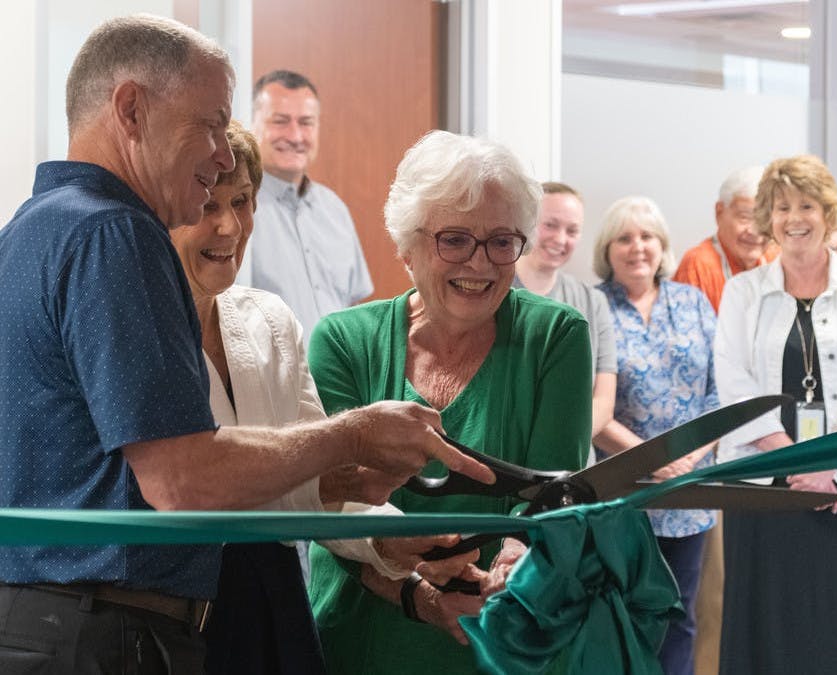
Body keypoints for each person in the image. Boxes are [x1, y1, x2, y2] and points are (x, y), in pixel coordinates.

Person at [0, 15, 490, 673]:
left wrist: (358, 490)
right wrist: (354, 434)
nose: (225, 153)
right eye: (209, 123)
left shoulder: (32, 230)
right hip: (109, 633)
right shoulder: (117, 233)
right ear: (131, 108)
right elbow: (181, 476)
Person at [172, 121, 482, 675]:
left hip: (275, 601)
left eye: (242, 201)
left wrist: (397, 542)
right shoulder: (135, 331)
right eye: (205, 204)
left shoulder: (268, 320)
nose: (226, 226)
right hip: (172, 608)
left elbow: (326, 481)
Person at [305, 130, 593, 674]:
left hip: (500, 637)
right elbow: (336, 507)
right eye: (455, 239)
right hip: (366, 642)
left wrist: (515, 561)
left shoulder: (555, 336)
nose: (480, 264)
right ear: (407, 246)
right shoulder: (343, 341)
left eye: (502, 241)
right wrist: (422, 597)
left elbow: (554, 494)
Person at [714, 156, 837, 674]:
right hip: (764, 484)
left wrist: (825, 465)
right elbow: (733, 383)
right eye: (781, 207)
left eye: (806, 205)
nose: (794, 217)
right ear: (768, 218)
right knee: (771, 622)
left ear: (828, 213)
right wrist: (792, 463)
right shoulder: (742, 292)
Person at [592, 196, 719, 675]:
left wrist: (684, 457)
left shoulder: (693, 301)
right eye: (624, 238)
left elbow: (719, 393)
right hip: (624, 488)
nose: (636, 247)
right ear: (608, 249)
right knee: (625, 613)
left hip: (691, 486)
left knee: (680, 614)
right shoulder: (594, 306)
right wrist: (652, 458)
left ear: (662, 245)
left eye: (646, 237)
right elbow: (592, 409)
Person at [672, 166, 774, 673]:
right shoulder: (698, 264)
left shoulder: (777, 263)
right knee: (715, 587)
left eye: (763, 214)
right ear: (719, 214)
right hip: (718, 443)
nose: (754, 227)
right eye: (743, 214)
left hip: (775, 437)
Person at [236, 69, 373, 341]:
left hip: (339, 381)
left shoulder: (335, 210)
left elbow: (354, 308)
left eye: (306, 122)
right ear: (253, 124)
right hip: (268, 382)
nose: (296, 136)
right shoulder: (236, 212)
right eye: (280, 121)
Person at [513, 181, 617, 440]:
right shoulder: (491, 292)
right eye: (550, 225)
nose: (560, 239)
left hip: (574, 467)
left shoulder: (593, 302)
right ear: (525, 223)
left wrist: (564, 445)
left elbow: (603, 403)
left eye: (572, 231)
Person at [674, 166, 776, 311]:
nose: (755, 231)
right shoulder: (698, 265)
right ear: (719, 212)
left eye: (765, 219)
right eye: (745, 217)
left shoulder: (778, 257)